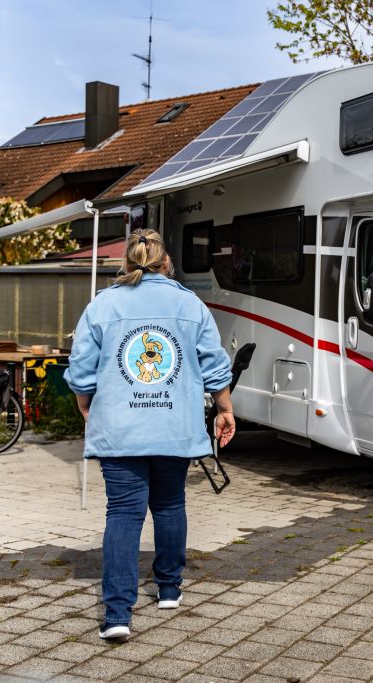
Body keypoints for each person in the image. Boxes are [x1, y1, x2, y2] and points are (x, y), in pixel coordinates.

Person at [64, 229, 235, 642]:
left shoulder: (103, 305)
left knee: (123, 514)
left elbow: (81, 370)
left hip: (120, 429)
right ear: (166, 264)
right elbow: (214, 363)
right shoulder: (189, 304)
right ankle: (170, 589)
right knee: (170, 503)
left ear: (127, 263)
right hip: (174, 426)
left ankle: (118, 614)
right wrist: (225, 409)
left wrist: (85, 404)